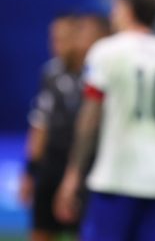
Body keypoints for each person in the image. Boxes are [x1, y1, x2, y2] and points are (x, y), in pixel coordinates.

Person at [54, 0, 155, 241]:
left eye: (116, 8)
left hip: (114, 178)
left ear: (128, 11)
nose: (113, 14)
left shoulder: (105, 52)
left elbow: (90, 118)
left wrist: (72, 175)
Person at [19, 13, 109, 241]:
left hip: (88, 166)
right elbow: (40, 123)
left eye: (62, 38)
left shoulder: (99, 74)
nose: (55, 44)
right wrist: (30, 171)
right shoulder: (51, 73)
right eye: (53, 38)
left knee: (86, 231)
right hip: (52, 165)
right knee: (42, 230)